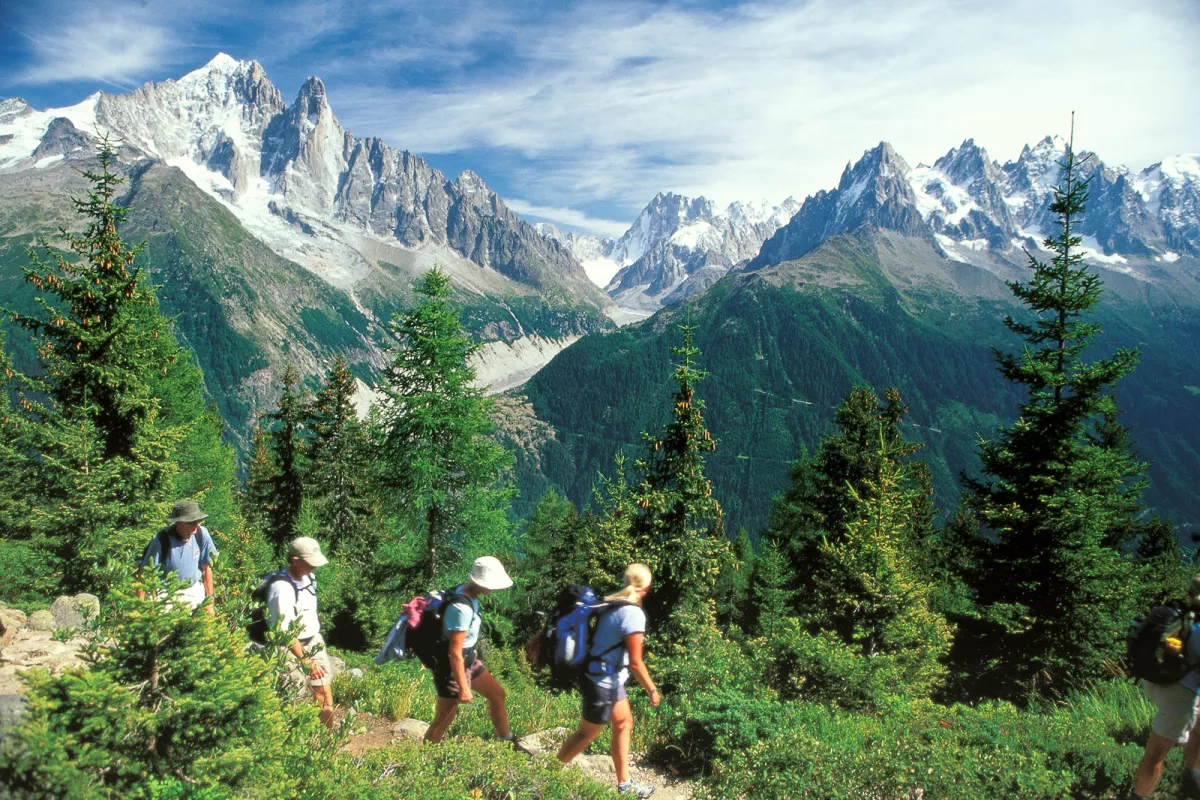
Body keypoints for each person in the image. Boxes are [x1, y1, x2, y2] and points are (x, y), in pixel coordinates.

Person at [557, 563, 661, 798]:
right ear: (646, 587)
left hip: (608, 678)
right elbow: (636, 663)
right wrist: (652, 689)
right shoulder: (632, 613)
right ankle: (548, 773)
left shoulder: (612, 603)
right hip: (602, 681)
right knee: (587, 733)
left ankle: (625, 785)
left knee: (623, 723)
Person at [424, 556, 515, 745]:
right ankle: (423, 757)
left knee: (498, 695)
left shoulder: (463, 591)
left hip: (469, 660)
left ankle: (506, 741)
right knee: (442, 721)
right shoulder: (461, 608)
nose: (494, 588)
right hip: (451, 669)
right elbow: (454, 652)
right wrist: (464, 688)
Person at [1132, 576, 1200, 800]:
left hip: (1154, 680)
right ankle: (1138, 797)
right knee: (1157, 752)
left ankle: (1192, 779)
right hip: (1178, 693)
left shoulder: (1183, 615)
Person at [267, 537, 335, 729]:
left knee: (324, 690)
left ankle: (325, 738)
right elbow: (285, 632)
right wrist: (307, 661)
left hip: (313, 639)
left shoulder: (309, 578)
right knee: (292, 697)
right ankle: (291, 736)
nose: (315, 567)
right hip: (288, 646)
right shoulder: (281, 587)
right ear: (295, 560)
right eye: (310, 562)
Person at [137, 500, 218, 613]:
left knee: (201, 621)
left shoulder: (201, 534)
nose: (197, 524)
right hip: (166, 592)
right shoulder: (162, 539)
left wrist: (210, 603)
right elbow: (145, 572)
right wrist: (139, 607)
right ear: (179, 523)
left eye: (198, 520)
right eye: (192, 521)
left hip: (193, 589)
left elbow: (206, 568)